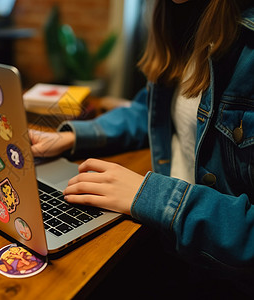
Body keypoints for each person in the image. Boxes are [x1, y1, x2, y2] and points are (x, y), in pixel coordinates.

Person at [29, 0, 254, 297]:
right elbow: (149, 109)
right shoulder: (183, 17)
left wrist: (150, 195)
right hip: (166, 242)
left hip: (217, 276)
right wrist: (74, 137)